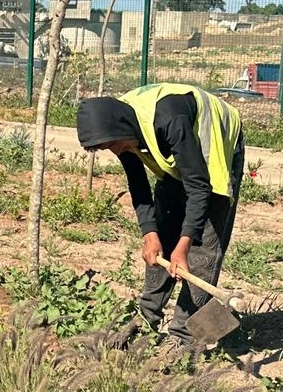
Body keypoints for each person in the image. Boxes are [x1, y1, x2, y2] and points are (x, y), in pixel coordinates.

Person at [76, 83, 244, 348]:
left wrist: (185, 244)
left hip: (214, 148)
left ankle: (184, 338)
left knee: (201, 250)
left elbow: (200, 188)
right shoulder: (121, 129)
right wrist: (150, 234)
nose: (115, 151)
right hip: (179, 152)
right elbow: (139, 186)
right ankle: (146, 320)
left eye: (114, 145)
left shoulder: (169, 120)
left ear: (121, 129)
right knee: (163, 236)